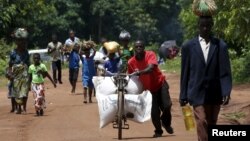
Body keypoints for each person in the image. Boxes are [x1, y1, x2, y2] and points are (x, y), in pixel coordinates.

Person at [179, 16, 232, 141]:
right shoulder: (188, 46)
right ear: (198, 26)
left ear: (212, 26)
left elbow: (225, 71)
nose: (205, 28)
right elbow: (185, 72)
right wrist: (183, 95)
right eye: (202, 25)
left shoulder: (220, 45)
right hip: (196, 92)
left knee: (212, 122)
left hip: (215, 92)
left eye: (208, 26)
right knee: (201, 120)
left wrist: (226, 91)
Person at [127, 40, 174, 138]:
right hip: (149, 90)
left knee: (167, 105)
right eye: (137, 47)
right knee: (154, 112)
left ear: (144, 48)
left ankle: (166, 123)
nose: (139, 48)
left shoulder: (150, 54)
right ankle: (158, 131)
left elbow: (151, 68)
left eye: (141, 46)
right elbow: (131, 77)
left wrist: (139, 72)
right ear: (134, 49)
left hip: (160, 84)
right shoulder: (131, 62)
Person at [5, 28, 30, 114]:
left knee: (25, 91)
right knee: (17, 91)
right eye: (21, 41)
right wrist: (10, 73)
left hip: (25, 73)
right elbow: (10, 65)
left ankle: (24, 108)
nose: (23, 43)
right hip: (16, 74)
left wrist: (30, 75)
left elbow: (29, 64)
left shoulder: (26, 52)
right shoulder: (13, 53)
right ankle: (18, 107)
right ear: (17, 42)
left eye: (24, 41)